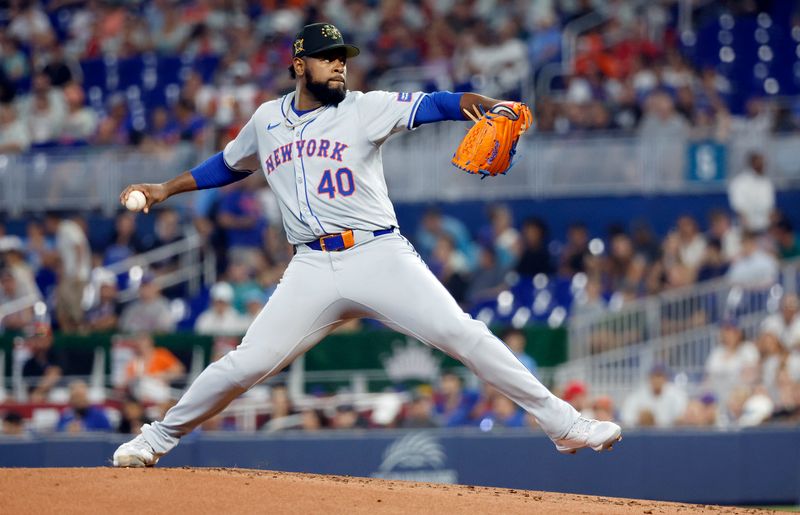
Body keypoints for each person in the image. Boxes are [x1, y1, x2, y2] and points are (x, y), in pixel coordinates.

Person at [112, 23, 621, 467]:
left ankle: (564, 425)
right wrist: (163, 189)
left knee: (463, 333)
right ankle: (155, 439)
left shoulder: (365, 108)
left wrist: (491, 106)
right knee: (245, 364)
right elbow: (227, 164)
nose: (339, 67)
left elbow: (439, 103)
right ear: (298, 64)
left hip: (378, 254)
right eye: (328, 58)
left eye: (343, 59)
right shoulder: (267, 120)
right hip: (311, 266)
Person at [727, 152, 775, 234]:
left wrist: (771, 227)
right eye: (760, 163)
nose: (763, 165)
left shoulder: (767, 182)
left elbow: (770, 207)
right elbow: (738, 208)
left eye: (763, 163)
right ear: (752, 163)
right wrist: (748, 228)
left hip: (765, 227)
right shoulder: (739, 182)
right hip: (746, 229)